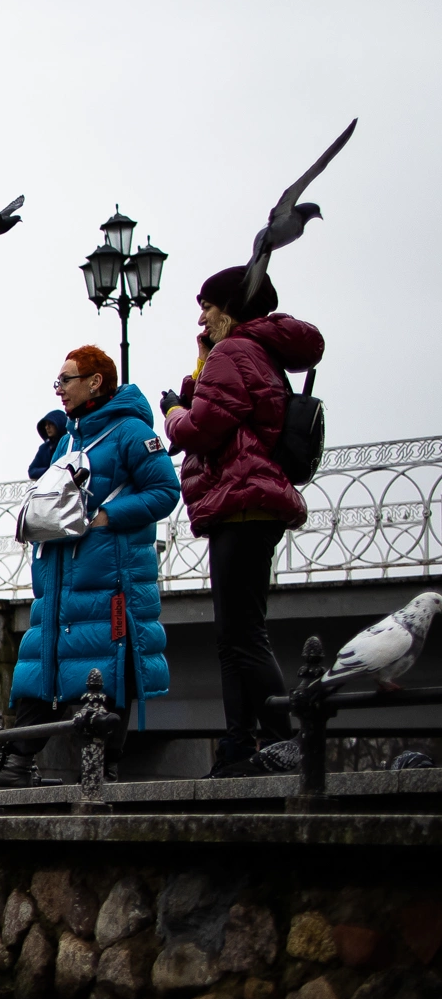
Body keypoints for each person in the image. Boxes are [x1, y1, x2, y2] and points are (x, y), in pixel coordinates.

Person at [161, 266, 324, 776]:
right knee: (232, 636)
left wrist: (171, 412)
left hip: (243, 502)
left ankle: (284, 741)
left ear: (228, 309)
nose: (201, 315)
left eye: (207, 305)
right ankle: (238, 745)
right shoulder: (257, 354)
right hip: (245, 502)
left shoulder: (235, 353)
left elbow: (203, 429)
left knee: (243, 635)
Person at [8, 346, 180, 784]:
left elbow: (165, 490)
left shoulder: (130, 432)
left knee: (108, 671)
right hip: (60, 578)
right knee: (41, 665)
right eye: (58, 382)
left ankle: (102, 767)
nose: (59, 389)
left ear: (95, 382)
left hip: (110, 580)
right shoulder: (68, 438)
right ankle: (14, 760)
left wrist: (107, 517)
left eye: (66, 379)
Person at [28, 409, 68, 480]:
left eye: (50, 424)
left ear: (59, 423)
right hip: (49, 487)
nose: (47, 427)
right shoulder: (44, 448)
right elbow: (32, 471)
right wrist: (51, 470)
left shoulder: (70, 443)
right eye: (45, 425)